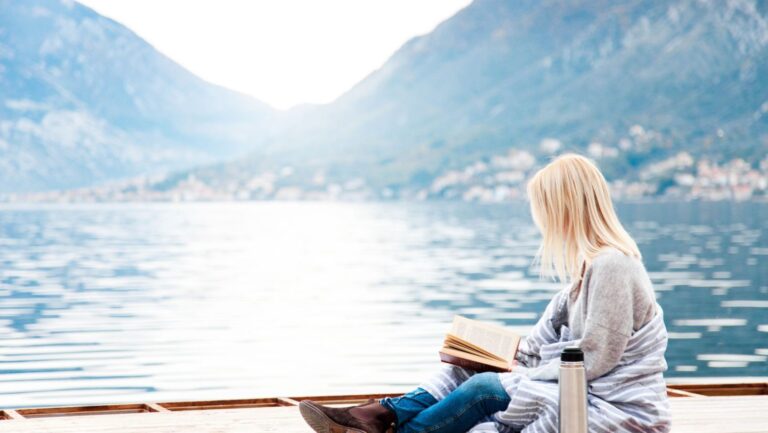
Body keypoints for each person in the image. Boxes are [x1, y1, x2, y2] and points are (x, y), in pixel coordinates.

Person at [299, 153, 671, 433]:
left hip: (616, 408)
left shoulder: (613, 267)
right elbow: (535, 345)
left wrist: (515, 373)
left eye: (545, 209)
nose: (541, 220)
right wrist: (486, 353)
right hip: (580, 389)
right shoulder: (581, 279)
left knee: (483, 388)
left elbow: (595, 360)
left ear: (566, 208)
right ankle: (380, 413)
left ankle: (390, 427)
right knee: (466, 370)